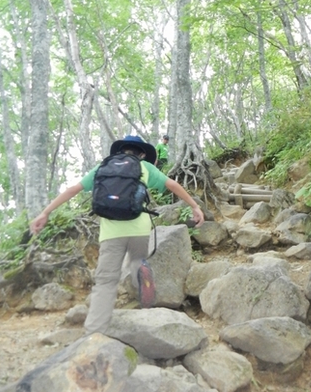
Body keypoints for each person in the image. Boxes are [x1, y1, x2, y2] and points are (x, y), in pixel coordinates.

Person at [30, 135, 204, 335]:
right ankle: (140, 268)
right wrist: (194, 206)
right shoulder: (145, 168)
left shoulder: (103, 168)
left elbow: (72, 190)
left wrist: (45, 212)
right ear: (142, 153)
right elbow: (172, 185)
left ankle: (95, 331)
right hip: (138, 228)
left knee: (106, 281)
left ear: (121, 151)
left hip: (111, 232)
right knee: (137, 259)